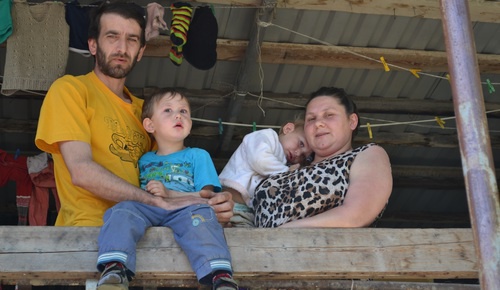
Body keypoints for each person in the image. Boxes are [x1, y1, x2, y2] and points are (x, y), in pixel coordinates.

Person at [34, 1, 234, 227]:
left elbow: (169, 178)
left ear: (140, 52)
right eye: (112, 36)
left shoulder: (147, 113)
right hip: (89, 231)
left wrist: (211, 203)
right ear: (92, 45)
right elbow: (81, 171)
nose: (122, 48)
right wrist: (155, 202)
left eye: (132, 39)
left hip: (150, 233)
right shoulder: (71, 90)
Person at [96, 89, 238, 290]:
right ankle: (115, 269)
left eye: (184, 111)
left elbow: (207, 197)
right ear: (149, 125)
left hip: (187, 210)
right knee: (123, 209)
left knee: (203, 216)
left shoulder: (198, 155)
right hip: (150, 209)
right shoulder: (144, 159)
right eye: (168, 110)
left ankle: (220, 276)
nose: (178, 115)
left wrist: (171, 194)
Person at [252, 87, 393, 228]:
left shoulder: (368, 154)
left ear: (352, 121)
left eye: (329, 115)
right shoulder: (285, 164)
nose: (318, 123)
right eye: (311, 118)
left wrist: (282, 232)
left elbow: (356, 215)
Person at [219, 118, 313, 227]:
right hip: (230, 204)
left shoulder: (282, 163)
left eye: (303, 156)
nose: (298, 153)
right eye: (301, 144)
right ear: (288, 129)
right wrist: (287, 172)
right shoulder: (267, 136)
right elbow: (259, 160)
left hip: (249, 213)